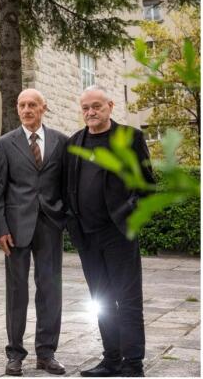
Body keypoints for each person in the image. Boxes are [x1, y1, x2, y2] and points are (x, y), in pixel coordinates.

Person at [65, 85, 154, 377]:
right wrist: (72, 224)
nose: (90, 112)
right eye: (86, 108)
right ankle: (112, 359)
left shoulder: (131, 138)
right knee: (100, 300)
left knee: (127, 301)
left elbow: (146, 187)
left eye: (96, 107)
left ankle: (133, 364)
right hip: (87, 238)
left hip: (119, 235)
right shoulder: (75, 141)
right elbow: (69, 188)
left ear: (110, 106)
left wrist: (128, 215)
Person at [0, 88, 68, 376]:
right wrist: (0, 227)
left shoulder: (61, 141)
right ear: (18, 108)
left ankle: (46, 353)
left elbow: (65, 183)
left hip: (50, 224)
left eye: (32, 105)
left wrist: (63, 216)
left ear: (43, 108)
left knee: (50, 290)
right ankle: (15, 354)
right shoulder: (4, 143)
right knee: (16, 292)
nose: (27, 109)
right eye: (22, 105)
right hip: (15, 228)